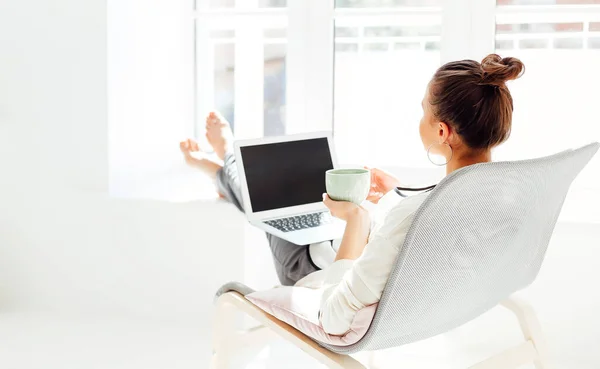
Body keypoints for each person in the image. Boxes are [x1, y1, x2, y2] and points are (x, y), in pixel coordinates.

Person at [180, 54, 525, 335]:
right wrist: (392, 196)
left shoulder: (417, 215)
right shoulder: (496, 196)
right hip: (382, 277)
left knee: (270, 204)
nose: (419, 119)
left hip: (313, 273)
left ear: (441, 131)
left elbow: (334, 315)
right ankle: (222, 172)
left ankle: (224, 161)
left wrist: (356, 221)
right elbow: (419, 241)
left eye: (423, 110)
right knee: (289, 203)